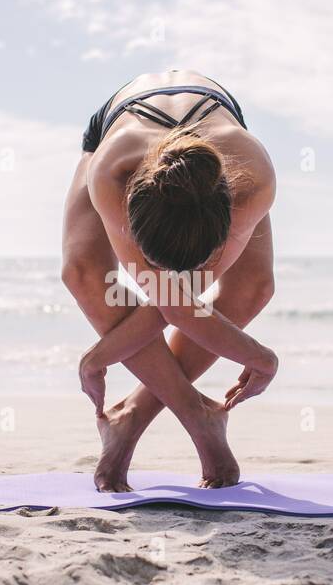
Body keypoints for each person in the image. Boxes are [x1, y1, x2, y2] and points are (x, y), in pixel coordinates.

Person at [61, 68, 277, 491]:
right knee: (82, 273)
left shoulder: (253, 179)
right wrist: (260, 357)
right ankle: (200, 417)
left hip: (220, 150)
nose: (173, 277)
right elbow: (171, 303)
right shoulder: (111, 171)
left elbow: (178, 303)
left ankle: (130, 417)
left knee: (254, 284)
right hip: (120, 123)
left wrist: (98, 357)